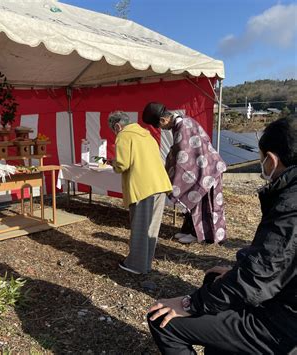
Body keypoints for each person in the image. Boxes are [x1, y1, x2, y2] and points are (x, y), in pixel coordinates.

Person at [147, 116, 297, 355]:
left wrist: (190, 303)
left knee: (161, 321)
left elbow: (258, 276)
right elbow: (279, 261)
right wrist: (236, 271)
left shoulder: (290, 206)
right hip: (285, 298)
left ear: (271, 160)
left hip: (281, 324)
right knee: (214, 280)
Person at [142, 102, 227, 244]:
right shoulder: (183, 122)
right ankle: (189, 230)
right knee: (195, 201)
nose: (162, 129)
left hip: (207, 170)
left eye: (160, 126)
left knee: (202, 202)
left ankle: (199, 234)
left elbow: (183, 158)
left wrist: (171, 175)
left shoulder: (183, 126)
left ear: (163, 120)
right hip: (205, 167)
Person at [108, 111, 172, 274]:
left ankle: (136, 265)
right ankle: (145, 262)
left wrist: (113, 163)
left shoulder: (124, 135)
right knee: (152, 229)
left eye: (113, 130)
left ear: (117, 126)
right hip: (159, 184)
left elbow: (122, 164)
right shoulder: (146, 134)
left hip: (142, 188)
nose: (115, 133)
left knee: (140, 228)